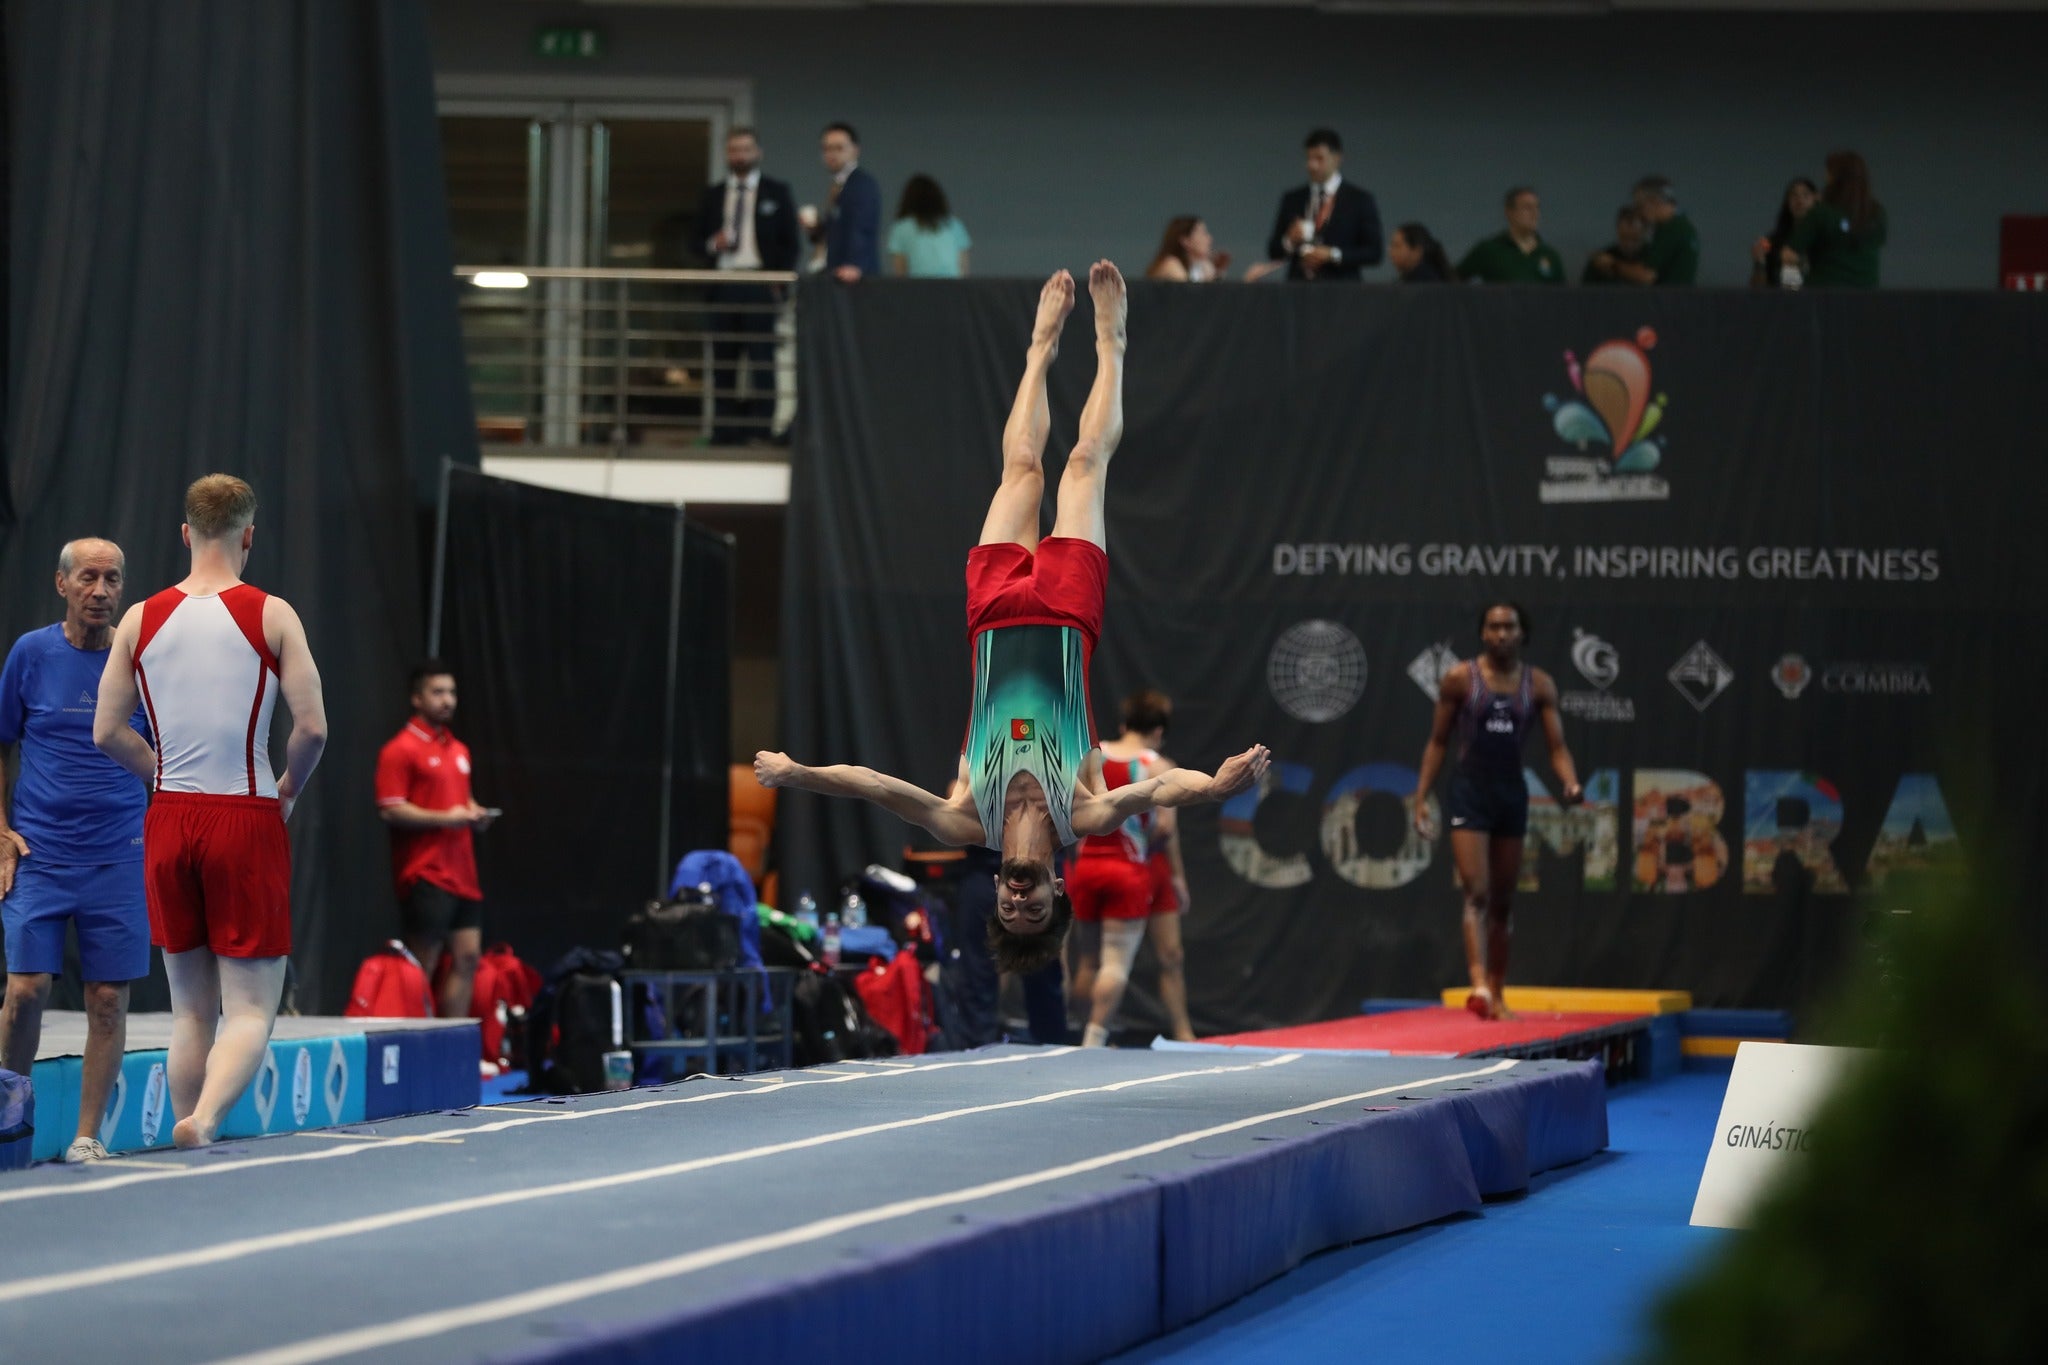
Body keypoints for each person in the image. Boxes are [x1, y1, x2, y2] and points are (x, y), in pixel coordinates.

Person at [753, 263, 1269, 973]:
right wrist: (1213, 785)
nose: (1019, 902)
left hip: (991, 616)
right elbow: (1154, 790)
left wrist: (795, 770)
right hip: (1067, 614)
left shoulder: (967, 816)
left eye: (1009, 908)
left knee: (1022, 468)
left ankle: (1038, 348)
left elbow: (874, 784)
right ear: (1059, 887)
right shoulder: (1082, 815)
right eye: (1033, 909)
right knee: (1085, 462)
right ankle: (1111, 342)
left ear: (997, 888)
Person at [92, 474, 327, 1149]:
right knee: (250, 1008)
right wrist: (287, 787)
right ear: (249, 535)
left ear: (185, 533)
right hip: (244, 814)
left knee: (191, 1011)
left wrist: (160, 771)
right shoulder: (271, 613)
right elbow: (312, 728)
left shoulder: (140, 617)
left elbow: (107, 730)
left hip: (169, 818)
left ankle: (184, 1128)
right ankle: (206, 1119)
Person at [0, 539, 151, 1162]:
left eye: (112, 579)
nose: (101, 590)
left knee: (109, 999)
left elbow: (166, 753)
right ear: (61, 584)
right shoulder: (31, 654)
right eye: (88, 578)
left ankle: (87, 1137)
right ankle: (11, 1115)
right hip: (39, 853)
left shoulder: (141, 661)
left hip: (118, 854)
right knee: (28, 988)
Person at [1411, 603, 1580, 1021]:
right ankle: (1480, 984)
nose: (1501, 634)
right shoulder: (1459, 680)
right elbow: (1437, 741)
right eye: (1493, 627)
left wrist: (1570, 782)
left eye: (1509, 627)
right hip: (1470, 791)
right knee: (1477, 892)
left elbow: (1557, 747)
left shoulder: (1538, 685)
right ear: (1482, 633)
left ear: (1522, 633)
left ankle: (1499, 993)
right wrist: (1420, 797)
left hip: (1511, 794)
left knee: (1503, 902)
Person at [1065, 688, 1196, 1046]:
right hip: (1131, 867)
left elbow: (1071, 813)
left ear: (1124, 724)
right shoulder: (1156, 765)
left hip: (1087, 867)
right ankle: (1093, 1037)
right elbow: (1166, 829)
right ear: (1158, 732)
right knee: (1116, 964)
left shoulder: (1091, 757)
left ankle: (1077, 1027)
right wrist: (1174, 873)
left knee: (1088, 962)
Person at [375, 661, 496, 1021]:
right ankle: (415, 1044)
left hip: (463, 874)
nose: (447, 700)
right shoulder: (400, 750)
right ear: (417, 698)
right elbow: (390, 809)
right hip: (425, 872)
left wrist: (475, 814)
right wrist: (449, 818)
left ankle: (451, 1045)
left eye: (452, 692)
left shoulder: (459, 750)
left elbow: (462, 799)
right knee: (421, 962)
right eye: (438, 692)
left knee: (468, 957)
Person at [695, 126, 801, 446]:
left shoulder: (777, 192)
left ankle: (760, 430)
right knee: (724, 362)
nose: (740, 156)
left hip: (760, 281)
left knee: (762, 360)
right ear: (728, 155)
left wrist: (777, 282)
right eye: (734, 150)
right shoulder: (713, 195)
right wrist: (714, 244)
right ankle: (724, 430)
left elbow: (790, 244)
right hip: (724, 281)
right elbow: (693, 242)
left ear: (758, 153)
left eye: (745, 149)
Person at [1265, 129, 1383, 282]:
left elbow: (1374, 252)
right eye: (1309, 158)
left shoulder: (1359, 200)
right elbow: (1273, 251)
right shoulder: (1293, 199)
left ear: (1337, 158)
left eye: (1319, 158)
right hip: (1298, 290)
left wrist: (1333, 255)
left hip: (1341, 291)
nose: (1312, 165)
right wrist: (1289, 241)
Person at [1783, 152, 1887, 288]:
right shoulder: (1877, 213)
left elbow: (1789, 255)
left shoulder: (1822, 212)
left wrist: (1792, 287)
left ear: (1835, 179)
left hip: (1824, 295)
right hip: (1867, 297)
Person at [812, 122, 881, 283]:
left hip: (854, 276)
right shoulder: (838, 185)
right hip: (836, 269)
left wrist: (855, 264)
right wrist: (816, 229)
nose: (832, 154)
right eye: (827, 149)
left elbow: (862, 226)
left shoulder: (862, 184)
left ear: (855, 150)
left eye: (839, 148)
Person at [1455, 187, 1566, 285]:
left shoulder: (1550, 256)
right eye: (1527, 208)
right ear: (1509, 212)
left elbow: (1564, 299)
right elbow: (1452, 280)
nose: (1535, 213)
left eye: (1537, 207)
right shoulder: (1489, 250)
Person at [1610, 175, 1700, 286]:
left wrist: (1611, 265)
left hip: (1670, 300)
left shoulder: (1672, 229)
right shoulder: (1684, 226)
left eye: (1639, 206)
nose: (1640, 213)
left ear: (1653, 201)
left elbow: (1646, 275)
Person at [1145, 216, 1284, 283]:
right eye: (1202, 233)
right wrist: (1246, 281)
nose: (1209, 239)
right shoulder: (1171, 264)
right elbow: (1189, 300)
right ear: (1185, 241)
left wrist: (1217, 274)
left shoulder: (1202, 267)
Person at [887, 174, 972, 278]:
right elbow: (963, 268)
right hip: (951, 286)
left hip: (918, 288)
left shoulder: (902, 228)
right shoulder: (954, 225)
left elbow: (900, 272)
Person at [1750, 177, 1818, 289]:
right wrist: (1759, 262)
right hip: (1784, 300)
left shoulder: (1825, 240)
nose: (1800, 200)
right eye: (1794, 196)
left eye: (1806, 195)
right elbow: (1758, 290)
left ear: (1816, 199)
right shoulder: (1773, 241)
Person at [1583, 204, 1651, 285]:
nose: (1629, 241)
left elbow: (1648, 277)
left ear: (1645, 230)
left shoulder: (1653, 254)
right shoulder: (1602, 258)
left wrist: (1613, 265)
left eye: (1634, 238)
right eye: (1624, 237)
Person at [1387, 222, 1456, 283]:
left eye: (1397, 246)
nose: (1390, 250)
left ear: (1417, 251)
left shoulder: (1424, 282)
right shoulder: (1411, 279)